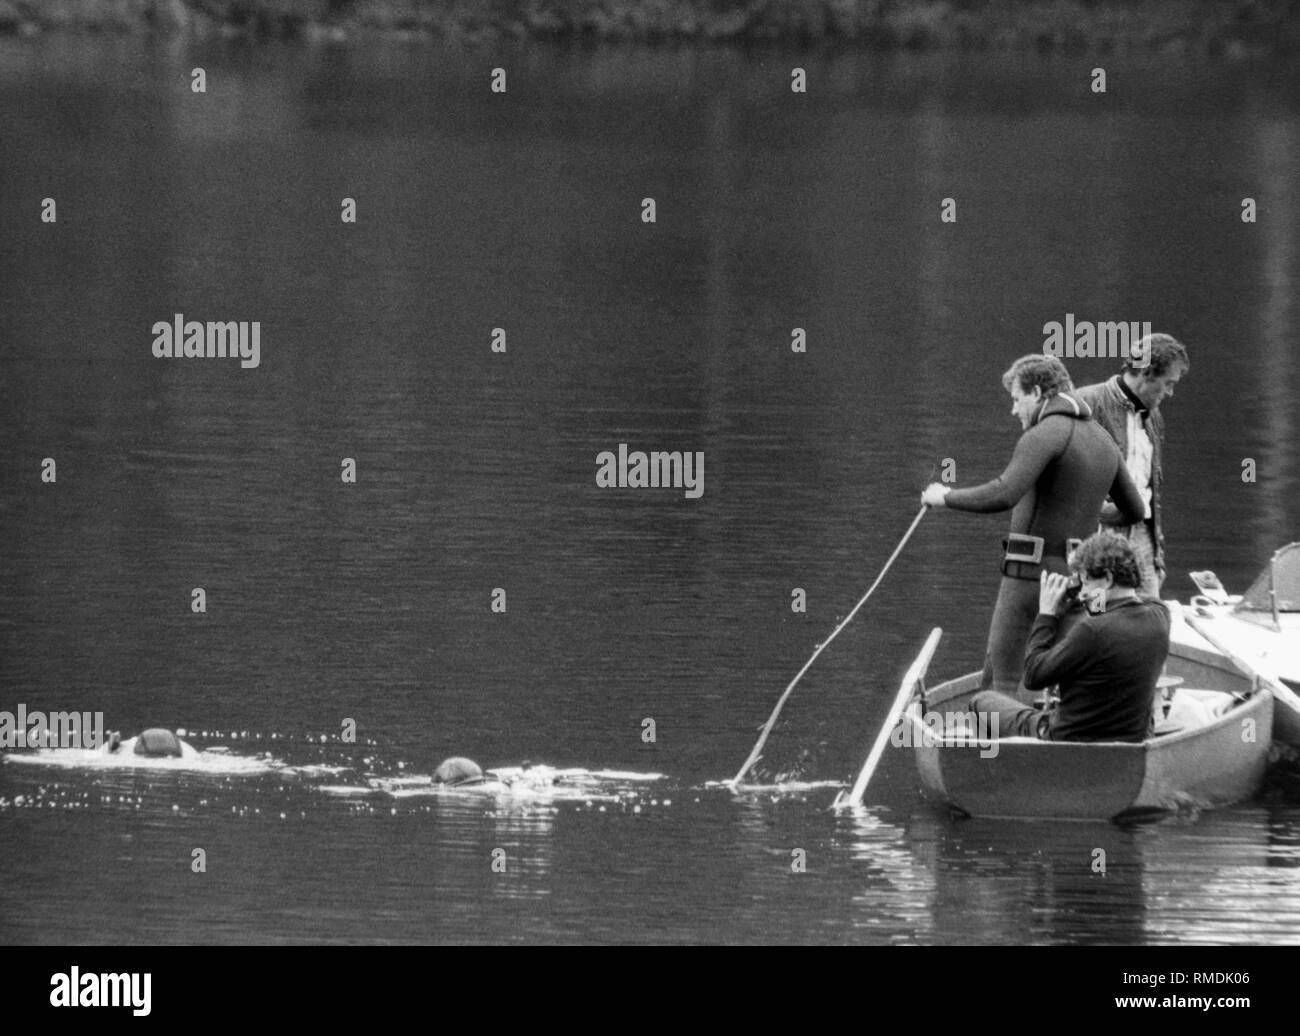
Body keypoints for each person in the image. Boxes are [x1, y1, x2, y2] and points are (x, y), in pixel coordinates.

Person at [921, 355, 1145, 699]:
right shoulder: (1103, 440)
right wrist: (1091, 512)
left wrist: (945, 496)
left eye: (1016, 399)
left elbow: (1004, 493)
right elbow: (1134, 510)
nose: (1014, 411)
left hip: (1029, 580)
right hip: (1080, 583)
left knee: (1001, 683)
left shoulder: (1043, 434)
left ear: (1038, 392)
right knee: (1062, 681)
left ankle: (993, 750)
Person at [969, 531, 1171, 742]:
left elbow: (1033, 676)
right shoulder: (1160, 615)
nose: (1082, 593)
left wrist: (1047, 614)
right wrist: (1092, 594)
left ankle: (992, 770)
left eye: (1085, 583)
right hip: (1131, 741)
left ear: (1108, 578)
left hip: (1067, 740)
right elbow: (1117, 609)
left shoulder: (1092, 631)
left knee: (981, 702)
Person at [1075, 333, 1189, 598]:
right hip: (1100, 535)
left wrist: (1157, 552)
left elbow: (1150, 487)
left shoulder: (1154, 416)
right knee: (1097, 615)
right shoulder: (1086, 403)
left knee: (1148, 616)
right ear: (1147, 373)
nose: (1170, 393)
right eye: (1167, 384)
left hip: (1143, 535)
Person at [104, 728, 189, 758]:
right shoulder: (183, 746)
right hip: (173, 744)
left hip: (143, 745)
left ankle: (113, 747)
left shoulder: (129, 746)